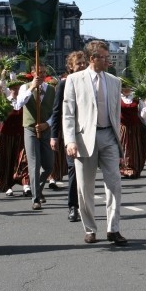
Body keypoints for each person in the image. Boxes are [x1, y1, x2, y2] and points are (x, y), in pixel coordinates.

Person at [62, 40, 126, 246]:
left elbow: (116, 113)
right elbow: (68, 113)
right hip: (83, 139)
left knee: (114, 183)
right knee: (85, 187)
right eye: (105, 57)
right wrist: (70, 140)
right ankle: (90, 229)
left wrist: (119, 140)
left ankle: (113, 229)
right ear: (92, 59)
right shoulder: (73, 80)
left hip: (109, 137)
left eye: (109, 57)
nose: (109, 61)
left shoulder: (114, 81)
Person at [50, 51, 86, 222]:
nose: (82, 66)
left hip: (88, 133)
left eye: (84, 63)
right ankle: (73, 206)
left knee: (87, 172)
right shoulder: (63, 84)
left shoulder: (90, 82)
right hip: (71, 134)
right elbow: (57, 112)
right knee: (73, 170)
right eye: (78, 63)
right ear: (70, 67)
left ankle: (86, 206)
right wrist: (54, 136)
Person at [17, 63, 55, 211]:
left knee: (49, 165)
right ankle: (36, 198)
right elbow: (18, 104)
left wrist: (47, 124)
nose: (42, 75)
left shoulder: (51, 89)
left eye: (44, 72)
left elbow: (55, 112)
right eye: (39, 73)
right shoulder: (24, 87)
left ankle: (36, 188)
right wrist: (32, 87)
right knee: (34, 164)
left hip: (46, 129)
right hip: (30, 129)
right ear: (32, 73)